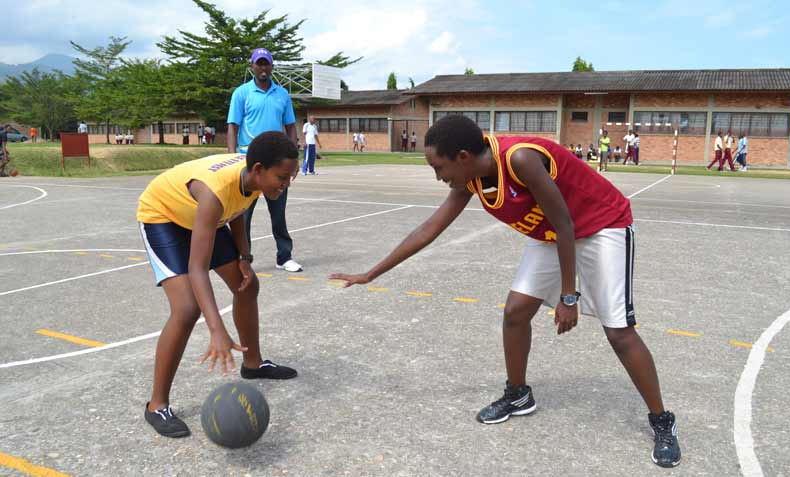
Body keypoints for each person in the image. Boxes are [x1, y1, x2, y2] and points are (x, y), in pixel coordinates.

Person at [330, 115, 681, 468]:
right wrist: (372, 273)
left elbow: (564, 223)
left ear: (463, 156)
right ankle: (518, 395)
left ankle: (662, 421)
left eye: (439, 167)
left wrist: (569, 296)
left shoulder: (519, 159)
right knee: (515, 312)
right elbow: (430, 228)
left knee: (619, 332)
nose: (439, 177)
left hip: (602, 226)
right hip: (553, 234)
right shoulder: (471, 179)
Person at [137, 131, 299, 438]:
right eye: (282, 177)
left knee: (246, 285)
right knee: (186, 309)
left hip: (201, 217)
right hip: (164, 218)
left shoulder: (253, 179)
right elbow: (197, 269)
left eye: (290, 178)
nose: (286, 184)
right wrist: (216, 329)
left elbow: (236, 208)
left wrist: (245, 257)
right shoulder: (216, 191)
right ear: (259, 170)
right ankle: (156, 404)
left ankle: (253, 363)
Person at [228, 47, 303, 273]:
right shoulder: (241, 93)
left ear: (272, 66)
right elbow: (233, 126)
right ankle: (242, 258)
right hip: (248, 161)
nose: (263, 68)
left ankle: (284, 256)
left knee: (278, 212)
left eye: (266, 63)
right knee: (243, 215)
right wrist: (232, 158)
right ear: (252, 66)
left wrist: (294, 157)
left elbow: (290, 127)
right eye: (259, 63)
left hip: (277, 164)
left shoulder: (282, 94)